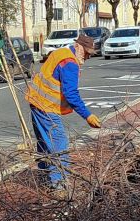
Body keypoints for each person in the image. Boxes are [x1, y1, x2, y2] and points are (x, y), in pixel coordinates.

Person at [25, 33, 102, 191]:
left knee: (45, 142)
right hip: (46, 106)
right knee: (59, 143)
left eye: (90, 53)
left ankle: (45, 179)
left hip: (37, 102)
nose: (87, 56)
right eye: (86, 52)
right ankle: (58, 185)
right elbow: (71, 94)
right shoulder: (70, 63)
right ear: (78, 46)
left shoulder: (61, 53)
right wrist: (88, 115)